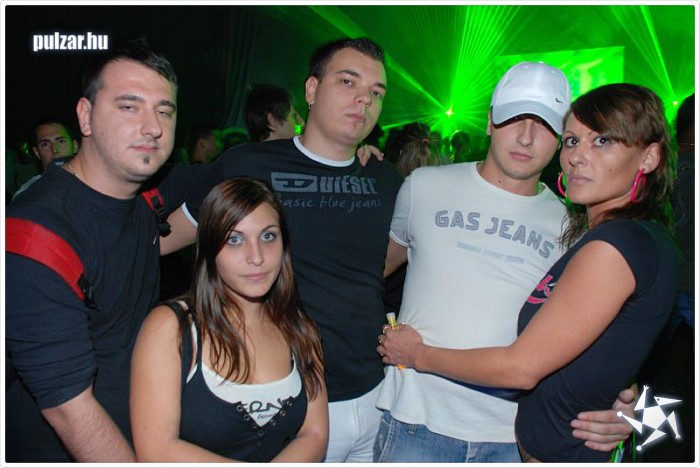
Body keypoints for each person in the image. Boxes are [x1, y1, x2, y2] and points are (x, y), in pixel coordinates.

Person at [379, 82, 679, 463]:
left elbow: (527, 367)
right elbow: (610, 342)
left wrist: (633, 411)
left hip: (514, 440)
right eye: (573, 141)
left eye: (602, 141)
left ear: (649, 157)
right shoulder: (424, 185)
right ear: (490, 121)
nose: (578, 157)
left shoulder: (602, 239)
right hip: (420, 424)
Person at [164, 37, 403, 463]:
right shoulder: (248, 165)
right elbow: (166, 238)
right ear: (311, 90)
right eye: (348, 81)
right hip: (287, 400)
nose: (364, 99)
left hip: (377, 394)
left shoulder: (385, 179)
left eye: (376, 92)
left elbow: (380, 263)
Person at [5, 40, 197, 462]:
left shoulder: (140, 199)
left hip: (141, 430)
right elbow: (68, 408)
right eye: (129, 107)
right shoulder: (38, 231)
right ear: (85, 116)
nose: (153, 127)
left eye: (164, 110)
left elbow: (221, 177)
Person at [130, 178, 328, 462]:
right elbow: (156, 450)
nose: (256, 257)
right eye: (235, 240)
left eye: (268, 236)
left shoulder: (299, 327)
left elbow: (315, 434)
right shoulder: (171, 328)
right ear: (210, 248)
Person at [13, 118, 79, 197]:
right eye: (45, 145)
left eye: (61, 141)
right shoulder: (28, 193)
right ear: (37, 152)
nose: (54, 150)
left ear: (75, 146)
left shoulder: (91, 181)